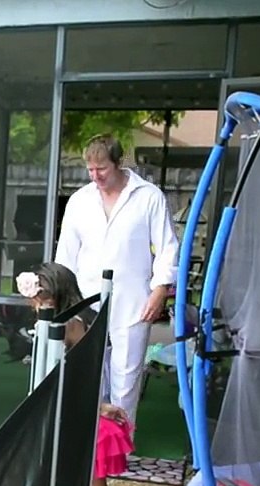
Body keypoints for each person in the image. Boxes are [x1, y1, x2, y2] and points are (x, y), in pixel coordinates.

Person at [17, 264, 132, 486]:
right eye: (37, 298)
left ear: (57, 295)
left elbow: (75, 380)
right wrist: (101, 406)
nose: (38, 305)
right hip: (84, 417)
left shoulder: (64, 326)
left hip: (76, 422)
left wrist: (97, 408)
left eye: (43, 298)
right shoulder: (78, 320)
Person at [54, 134, 179, 425]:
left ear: (118, 163)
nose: (95, 176)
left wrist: (159, 290)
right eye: (90, 169)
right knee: (88, 376)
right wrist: (63, 299)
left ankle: (121, 442)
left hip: (133, 302)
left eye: (102, 169)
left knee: (126, 380)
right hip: (85, 302)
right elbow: (66, 254)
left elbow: (167, 248)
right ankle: (90, 442)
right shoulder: (79, 201)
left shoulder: (149, 197)